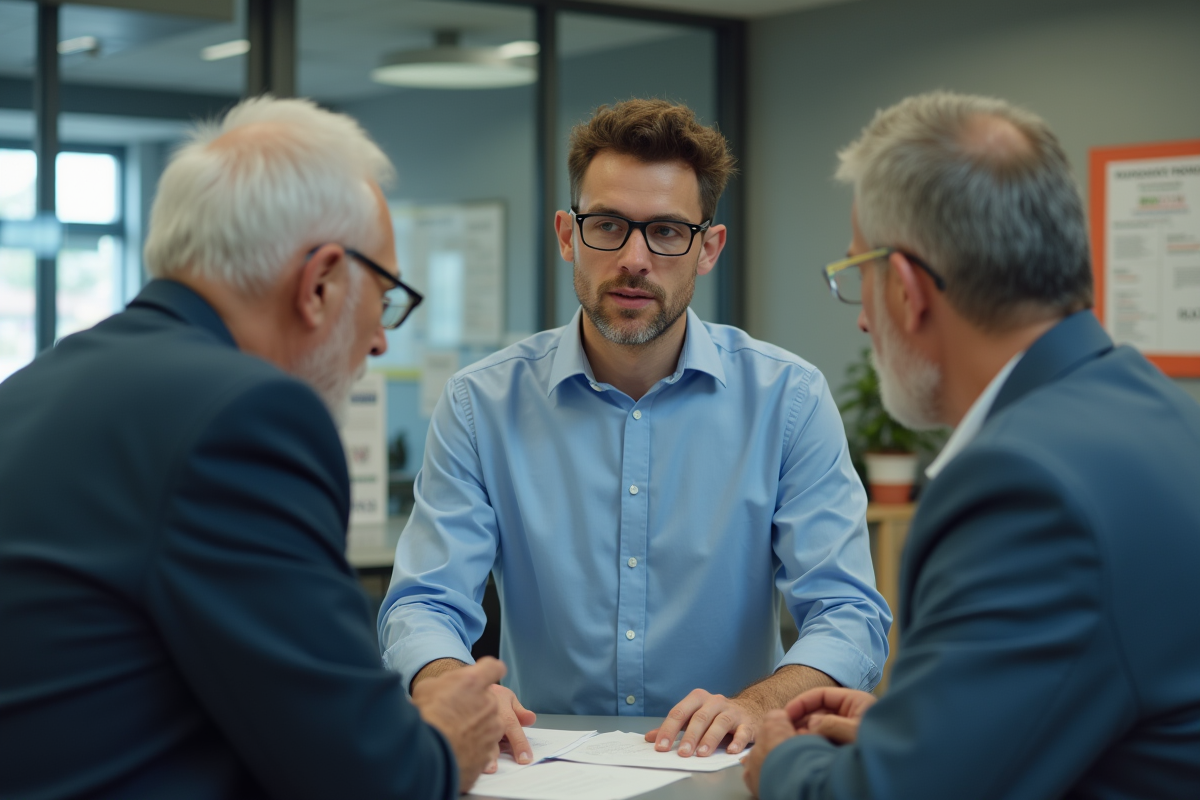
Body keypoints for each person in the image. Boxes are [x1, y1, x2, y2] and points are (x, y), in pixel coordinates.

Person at [0, 96, 506, 800]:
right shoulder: (247, 416)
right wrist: (448, 738)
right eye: (384, 297)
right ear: (321, 282)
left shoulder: (35, 386)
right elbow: (371, 778)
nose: (382, 339)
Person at [379, 98, 890, 766]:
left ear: (708, 248)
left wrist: (761, 703)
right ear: (567, 236)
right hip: (539, 769)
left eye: (667, 232)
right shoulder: (482, 403)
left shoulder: (787, 400)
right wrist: (451, 685)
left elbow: (849, 612)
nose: (634, 258)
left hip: (721, 769)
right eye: (608, 226)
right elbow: (422, 602)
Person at [743, 91, 1200, 799]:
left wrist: (780, 760)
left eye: (857, 275)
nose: (862, 319)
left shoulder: (1023, 486)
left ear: (904, 289)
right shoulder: (1160, 414)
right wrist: (916, 731)